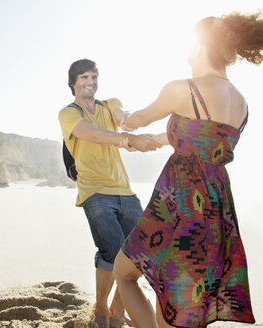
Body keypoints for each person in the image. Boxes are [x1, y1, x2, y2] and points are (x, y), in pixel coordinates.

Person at [113, 12, 263, 328]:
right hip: (216, 203)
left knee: (126, 275)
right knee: (186, 299)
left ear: (200, 46)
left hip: (179, 199)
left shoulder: (182, 88)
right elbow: (199, 138)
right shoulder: (241, 103)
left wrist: (120, 113)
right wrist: (151, 140)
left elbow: (135, 119)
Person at [58, 59, 162, 327]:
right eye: (84, 77)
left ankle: (118, 305)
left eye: (94, 76)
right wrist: (127, 141)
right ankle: (101, 307)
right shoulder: (68, 113)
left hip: (124, 191)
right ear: (73, 82)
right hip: (95, 190)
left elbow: (122, 116)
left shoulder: (109, 103)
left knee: (141, 250)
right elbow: (91, 133)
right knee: (113, 250)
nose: (90, 81)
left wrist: (130, 123)